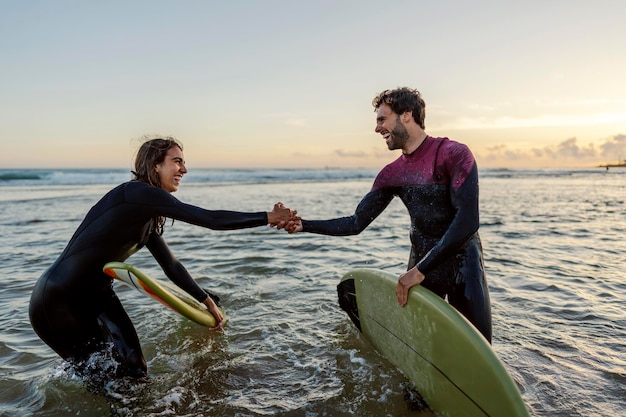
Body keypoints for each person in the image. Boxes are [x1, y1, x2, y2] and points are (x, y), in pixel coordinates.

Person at [29, 137, 298, 378]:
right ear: (155, 165)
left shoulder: (146, 212)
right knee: (105, 377)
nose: (184, 169)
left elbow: (171, 265)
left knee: (134, 368)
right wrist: (269, 217)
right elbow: (210, 219)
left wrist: (205, 300)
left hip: (96, 294)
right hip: (58, 299)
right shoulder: (136, 194)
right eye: (177, 161)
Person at [277, 87, 492, 342]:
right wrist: (303, 225)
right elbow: (356, 222)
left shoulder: (453, 154)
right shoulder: (392, 173)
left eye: (382, 119)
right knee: (421, 346)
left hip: (462, 265)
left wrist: (420, 270)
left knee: (477, 346)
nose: (377, 129)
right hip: (421, 264)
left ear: (407, 115)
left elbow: (467, 221)